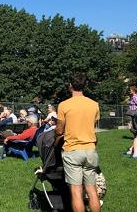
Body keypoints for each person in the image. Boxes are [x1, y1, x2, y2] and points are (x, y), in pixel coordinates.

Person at [55, 73, 101, 212]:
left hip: (73, 150)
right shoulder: (94, 105)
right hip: (90, 150)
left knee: (76, 191)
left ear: (70, 86)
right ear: (85, 85)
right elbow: (91, 125)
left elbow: (58, 130)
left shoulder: (64, 105)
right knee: (92, 190)